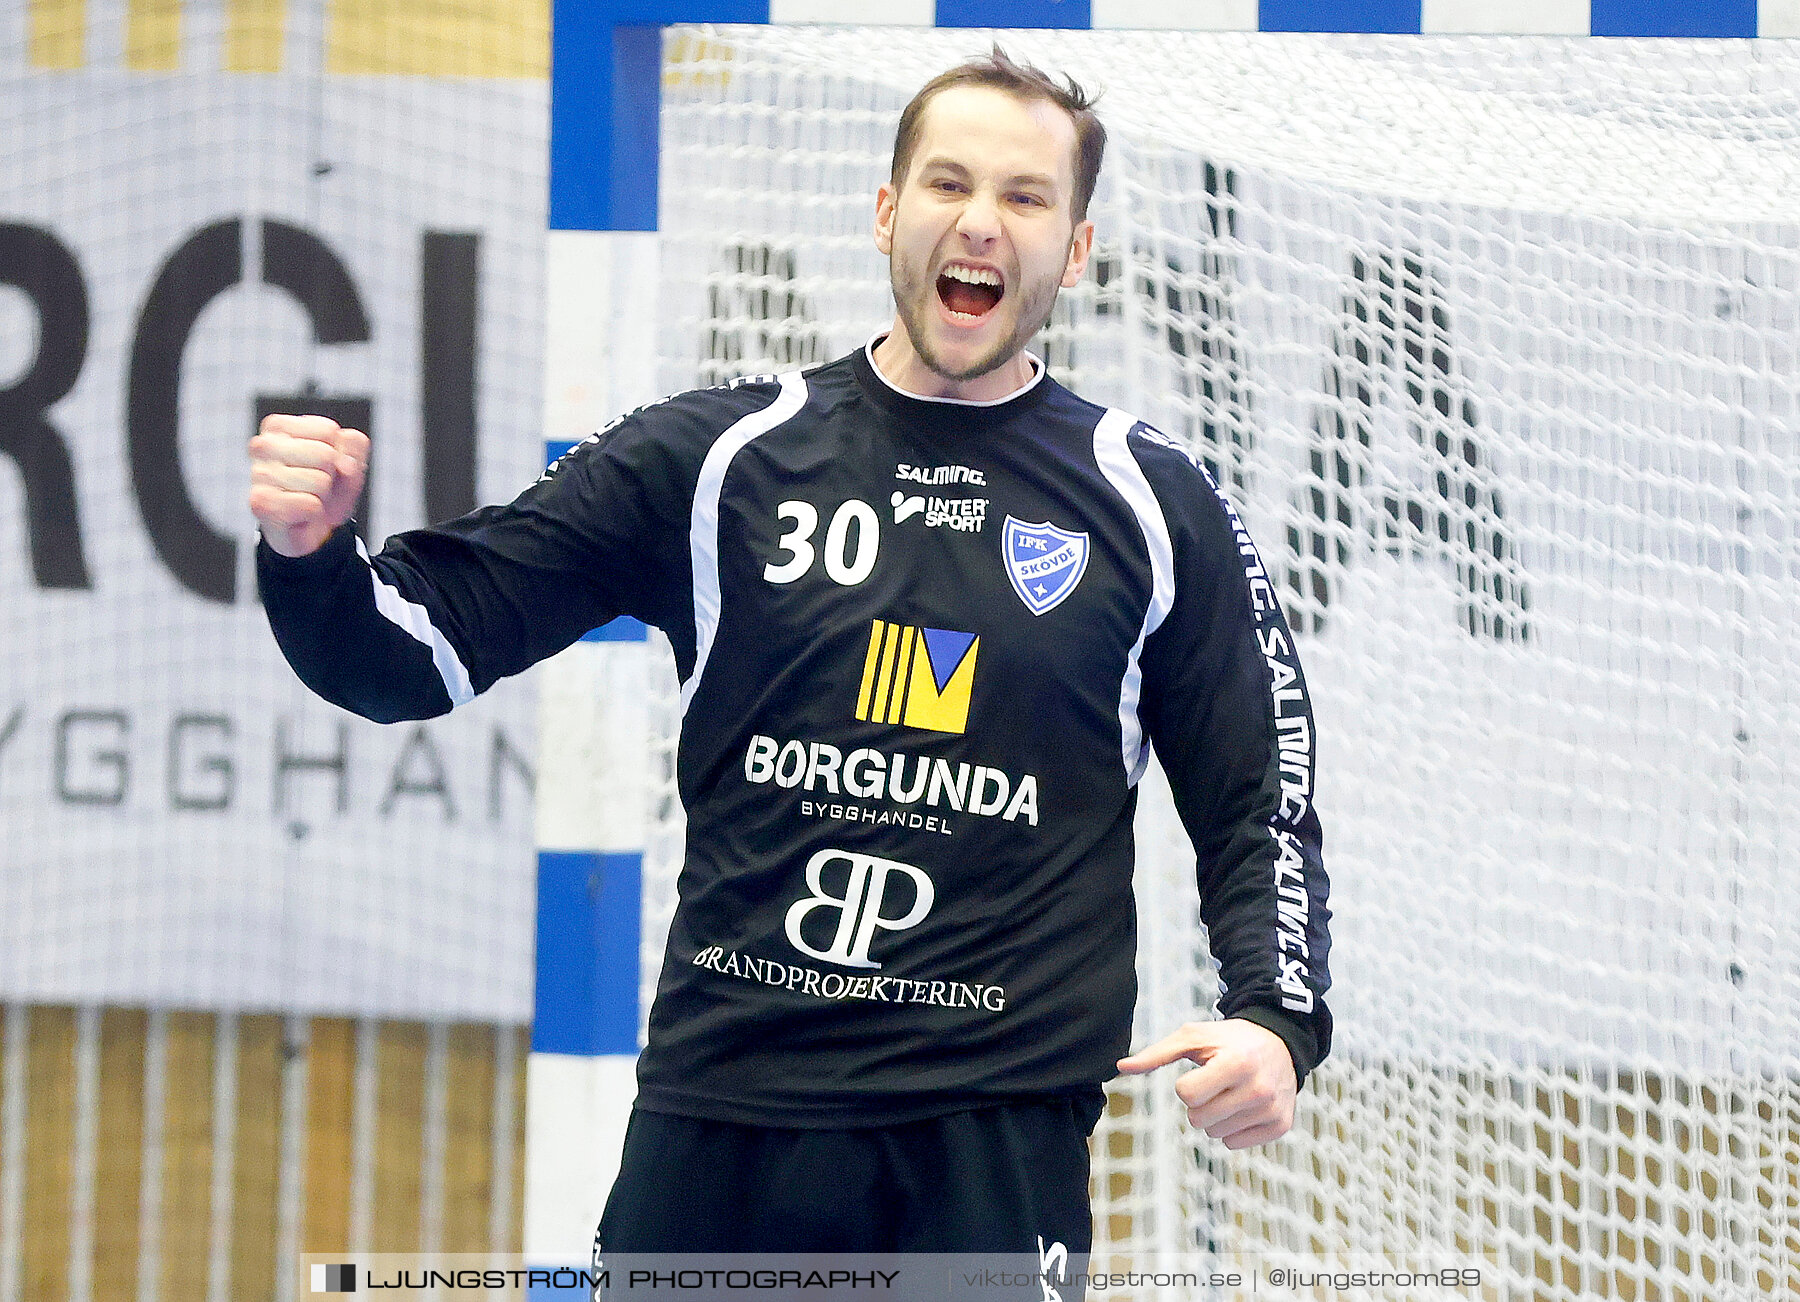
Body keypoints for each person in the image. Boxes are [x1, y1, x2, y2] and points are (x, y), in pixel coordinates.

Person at [250, 48, 1331, 1261]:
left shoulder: (1156, 504)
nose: (980, 221)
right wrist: (309, 557)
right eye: (947, 184)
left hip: (986, 1151)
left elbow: (1260, 797)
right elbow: (411, 654)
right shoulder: (717, 462)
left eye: (1027, 198)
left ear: (1075, 251)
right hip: (720, 1126)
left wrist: (1277, 1021)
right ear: (886, 214)